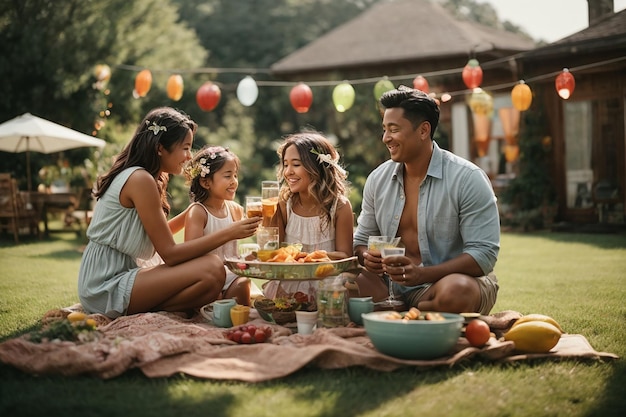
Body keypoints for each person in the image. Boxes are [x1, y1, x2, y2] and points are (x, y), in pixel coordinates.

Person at [77, 107, 258, 319]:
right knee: (212, 268)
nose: (189, 156)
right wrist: (230, 232)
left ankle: (154, 307)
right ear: (161, 148)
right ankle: (152, 309)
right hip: (106, 282)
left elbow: (159, 234)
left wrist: (197, 209)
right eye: (185, 148)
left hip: (128, 272)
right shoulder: (140, 179)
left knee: (211, 284)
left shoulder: (150, 178)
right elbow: (170, 254)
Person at [353, 86, 500, 315]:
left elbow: (483, 255)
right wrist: (366, 257)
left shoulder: (467, 178)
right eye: (384, 130)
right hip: (390, 287)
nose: (386, 138)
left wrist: (422, 275)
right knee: (340, 285)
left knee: (456, 292)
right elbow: (361, 241)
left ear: (423, 130)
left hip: (443, 284)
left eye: (393, 129)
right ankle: (417, 313)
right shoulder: (377, 179)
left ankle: (412, 311)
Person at [263, 132, 354, 300]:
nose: (288, 172)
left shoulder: (339, 206)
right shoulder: (284, 204)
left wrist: (308, 257)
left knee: (348, 284)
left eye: (296, 164)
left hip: (327, 280)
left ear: (316, 167)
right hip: (290, 280)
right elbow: (274, 254)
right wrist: (267, 220)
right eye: (285, 165)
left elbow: (345, 259)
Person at [182, 145, 262, 306]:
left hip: (233, 277)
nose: (234, 182)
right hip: (207, 279)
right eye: (227, 176)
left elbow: (232, 254)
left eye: (235, 175)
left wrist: (251, 257)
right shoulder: (198, 212)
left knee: (242, 283)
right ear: (205, 182)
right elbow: (190, 256)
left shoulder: (235, 210)